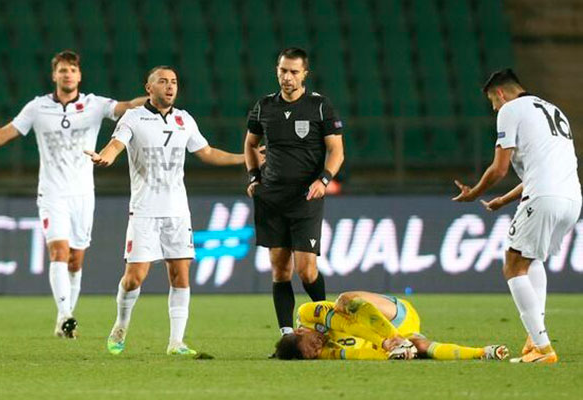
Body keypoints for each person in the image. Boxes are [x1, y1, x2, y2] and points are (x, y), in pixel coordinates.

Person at [0, 50, 147, 339]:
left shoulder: (94, 105)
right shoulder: (37, 108)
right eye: (62, 70)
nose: (67, 75)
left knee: (76, 260)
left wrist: (151, 100)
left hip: (82, 194)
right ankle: (66, 314)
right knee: (59, 252)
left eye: (72, 70)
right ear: (54, 75)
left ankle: (63, 320)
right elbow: (5, 133)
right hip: (52, 193)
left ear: (79, 75)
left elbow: (128, 107)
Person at [85, 66, 244, 356]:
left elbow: (206, 152)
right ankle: (120, 325)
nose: (170, 86)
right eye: (163, 81)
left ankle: (176, 342)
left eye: (173, 82)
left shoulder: (185, 119)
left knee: (180, 275)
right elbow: (115, 144)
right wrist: (104, 158)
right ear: (149, 88)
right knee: (135, 277)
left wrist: (244, 158)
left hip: (177, 211)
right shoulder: (134, 117)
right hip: (144, 210)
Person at [452, 69, 581, 363]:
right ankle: (534, 340)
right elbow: (543, 166)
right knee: (530, 258)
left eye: (492, 103)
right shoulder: (553, 110)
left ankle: (543, 347)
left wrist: (475, 192)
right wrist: (504, 199)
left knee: (512, 264)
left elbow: (499, 168)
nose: (494, 109)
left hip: (544, 197)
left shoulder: (510, 109)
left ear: (499, 93)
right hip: (572, 199)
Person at [243, 47, 345, 336]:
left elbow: (337, 150)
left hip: (305, 198)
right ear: (277, 70)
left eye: (293, 72)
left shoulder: (320, 106)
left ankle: (328, 326)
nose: (287, 77)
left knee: (307, 270)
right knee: (279, 269)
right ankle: (287, 335)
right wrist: (253, 176)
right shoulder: (264, 106)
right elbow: (250, 144)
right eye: (283, 71)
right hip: (271, 198)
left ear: (304, 75)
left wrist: (323, 180)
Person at [274, 291, 509, 361]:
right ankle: (484, 352)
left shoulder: (308, 313)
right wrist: (388, 354)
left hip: (392, 314)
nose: (317, 347)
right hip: (399, 333)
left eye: (310, 344)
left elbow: (351, 325)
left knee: (345, 301)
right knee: (422, 347)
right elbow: (356, 353)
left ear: (299, 331)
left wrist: (386, 340)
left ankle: (398, 342)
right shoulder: (322, 352)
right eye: (313, 353)